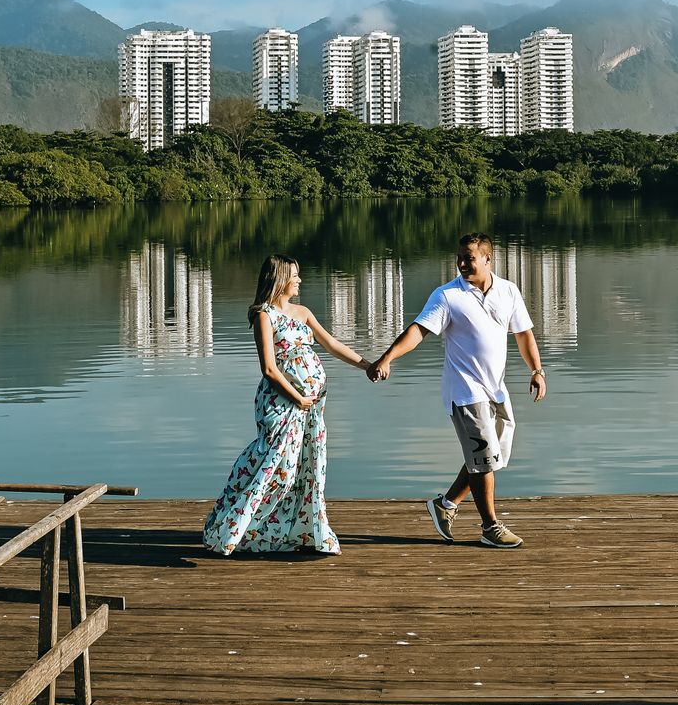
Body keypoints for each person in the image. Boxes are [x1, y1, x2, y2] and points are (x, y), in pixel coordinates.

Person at [369, 232, 546, 548]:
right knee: (484, 456)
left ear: (488, 259)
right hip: (465, 391)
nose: (462, 263)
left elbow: (524, 334)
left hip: (496, 390)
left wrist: (537, 370)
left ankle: (445, 504)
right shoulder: (447, 295)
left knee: (491, 456)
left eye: (470, 258)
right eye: (460, 257)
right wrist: (387, 357)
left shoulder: (508, 291)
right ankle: (490, 526)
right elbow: (418, 331)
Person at [203, 254, 372, 555]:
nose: (299, 280)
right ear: (280, 278)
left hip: (311, 408)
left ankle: (299, 530)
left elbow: (332, 344)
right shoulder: (263, 315)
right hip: (282, 404)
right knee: (276, 467)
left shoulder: (302, 312)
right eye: (294, 275)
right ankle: (234, 528)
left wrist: (368, 366)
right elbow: (269, 368)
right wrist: (298, 398)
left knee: (308, 467)